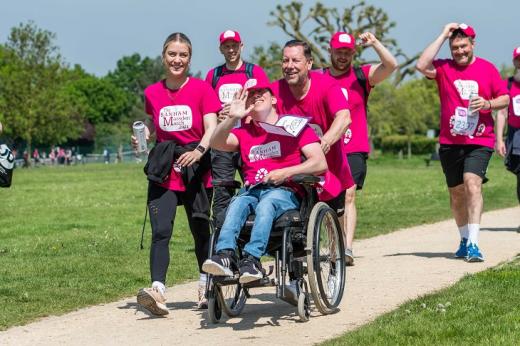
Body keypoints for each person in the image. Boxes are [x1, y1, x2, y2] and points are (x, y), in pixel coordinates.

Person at [202, 79, 327, 282]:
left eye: (262, 92)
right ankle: (225, 255)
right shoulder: (243, 133)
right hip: (253, 191)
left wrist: (285, 172)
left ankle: (252, 259)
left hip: (285, 191)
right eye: (251, 94)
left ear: (274, 99)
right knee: (237, 203)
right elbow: (216, 142)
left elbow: (320, 163)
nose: (257, 96)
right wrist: (232, 118)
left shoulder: (295, 126)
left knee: (267, 203)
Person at [132, 32, 219, 315]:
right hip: (165, 165)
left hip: (196, 162)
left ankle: (206, 286)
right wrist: (144, 133)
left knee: (199, 228)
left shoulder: (203, 89)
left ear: (189, 59)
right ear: (163, 57)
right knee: (161, 230)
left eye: (183, 55)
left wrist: (200, 151)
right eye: (172, 54)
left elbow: (211, 126)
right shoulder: (152, 92)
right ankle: (157, 290)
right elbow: (153, 124)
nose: (177, 60)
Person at [416, 23, 509, 262]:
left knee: (472, 184)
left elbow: (505, 98)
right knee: (456, 193)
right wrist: (443, 34)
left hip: (480, 139)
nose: (459, 51)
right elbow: (421, 65)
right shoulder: (444, 68)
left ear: (473, 44)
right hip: (450, 141)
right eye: (455, 46)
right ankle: (464, 238)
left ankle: (475, 244)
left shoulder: (487, 69)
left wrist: (488, 104)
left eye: (463, 46)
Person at [270, 40, 355, 251]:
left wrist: (324, 142)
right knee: (295, 221)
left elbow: (344, 118)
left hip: (330, 164)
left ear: (309, 63)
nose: (289, 65)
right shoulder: (274, 91)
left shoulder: (326, 86)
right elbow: (255, 115)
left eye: (295, 60)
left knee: (335, 216)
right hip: (292, 168)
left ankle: (338, 255)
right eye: (285, 60)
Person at [323, 31, 398, 265]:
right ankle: (334, 243)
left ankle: (347, 248)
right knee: (329, 198)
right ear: (330, 51)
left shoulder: (361, 76)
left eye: (348, 52)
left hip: (354, 146)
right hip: (327, 146)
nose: (343, 56)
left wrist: (374, 43)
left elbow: (391, 65)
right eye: (339, 51)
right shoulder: (319, 77)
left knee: (348, 194)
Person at [205, 30, 270, 228]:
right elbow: (207, 108)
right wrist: (219, 115)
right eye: (227, 46)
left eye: (235, 45)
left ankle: (255, 235)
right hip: (223, 143)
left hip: (249, 141)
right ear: (221, 49)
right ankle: (221, 241)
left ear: (242, 46)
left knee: (257, 186)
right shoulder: (214, 75)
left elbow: (266, 103)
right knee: (222, 192)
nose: (231, 49)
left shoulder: (254, 72)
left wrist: (245, 112)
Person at [496, 47, 520, 232]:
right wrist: (499, 139)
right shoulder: (508, 85)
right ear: (515, 62)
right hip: (516, 135)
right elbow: (502, 113)